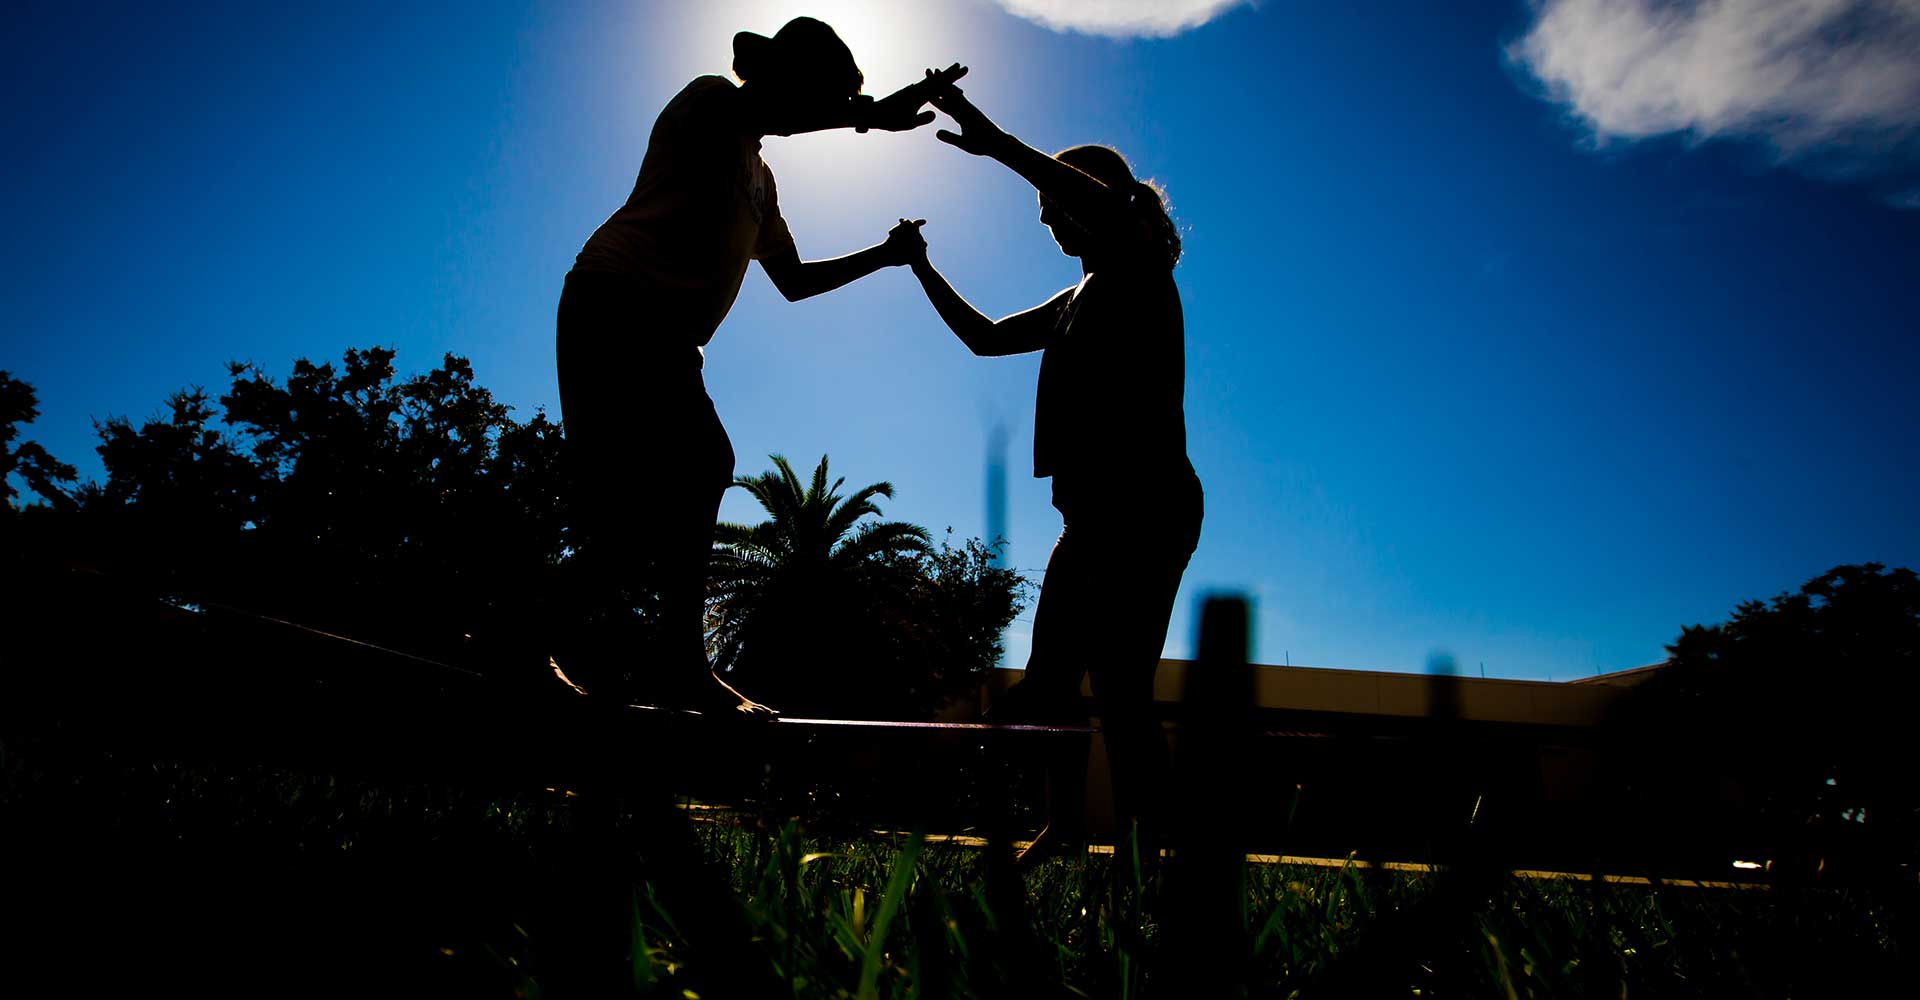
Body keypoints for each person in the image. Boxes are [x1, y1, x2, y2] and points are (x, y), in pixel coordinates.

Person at [555, 18, 955, 715]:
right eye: (815, 95)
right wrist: (868, 117)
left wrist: (883, 257)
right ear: (777, 76)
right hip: (615, 300)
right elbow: (768, 109)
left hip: (663, 336)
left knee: (630, 511)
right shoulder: (711, 103)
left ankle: (544, 640)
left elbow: (794, 281)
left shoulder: (761, 182)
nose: (813, 110)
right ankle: (676, 662)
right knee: (699, 462)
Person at [897, 79, 1203, 865]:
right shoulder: (1079, 294)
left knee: (1122, 689)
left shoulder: (1138, 266)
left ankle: (1151, 849)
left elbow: (1096, 198)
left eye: (1054, 208)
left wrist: (993, 139)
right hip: (1091, 516)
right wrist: (918, 266)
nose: (1049, 225)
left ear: (1095, 200)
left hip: (1146, 504)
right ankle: (1064, 829)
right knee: (1053, 682)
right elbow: (985, 336)